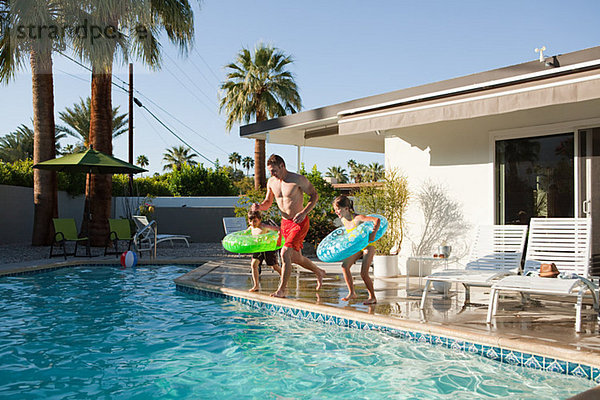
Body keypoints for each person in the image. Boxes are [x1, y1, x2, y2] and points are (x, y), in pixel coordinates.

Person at [251, 154, 327, 298]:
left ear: (282, 166)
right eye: (270, 171)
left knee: (285, 253)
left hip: (299, 222)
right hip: (285, 223)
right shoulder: (272, 182)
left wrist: (304, 212)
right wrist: (259, 207)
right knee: (295, 258)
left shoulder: (298, 179)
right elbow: (268, 202)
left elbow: (314, 195)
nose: (272, 173)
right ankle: (319, 272)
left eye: (274, 170)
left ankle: (282, 290)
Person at [332, 195, 380, 305]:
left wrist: (373, 234)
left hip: (368, 245)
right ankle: (352, 293)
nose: (336, 212)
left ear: (346, 209)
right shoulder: (344, 220)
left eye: (338, 209)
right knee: (345, 266)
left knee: (363, 273)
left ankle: (372, 297)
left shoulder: (358, 218)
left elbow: (377, 220)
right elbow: (350, 233)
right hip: (357, 246)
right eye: (335, 209)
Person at [247, 210, 282, 292]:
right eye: (250, 221)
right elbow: (244, 234)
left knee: (274, 266)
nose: (252, 223)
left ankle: (284, 278)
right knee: (254, 264)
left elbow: (279, 229)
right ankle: (256, 285)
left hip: (268, 249)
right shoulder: (251, 228)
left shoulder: (264, 227)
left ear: (260, 219)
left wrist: (278, 240)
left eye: (255, 221)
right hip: (258, 249)